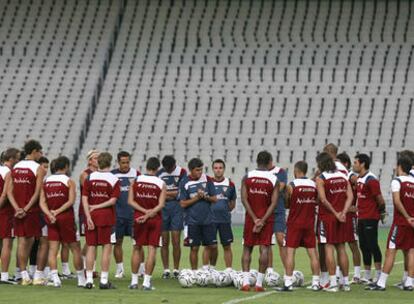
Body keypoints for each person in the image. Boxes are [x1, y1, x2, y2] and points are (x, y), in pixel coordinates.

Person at [368, 157, 414, 291]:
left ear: (400, 166)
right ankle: (409, 283)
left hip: (401, 222)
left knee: (390, 251)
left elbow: (397, 200)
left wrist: (407, 216)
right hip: (412, 223)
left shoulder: (397, 181)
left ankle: (381, 283)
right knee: (411, 251)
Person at [39, 156, 85, 287]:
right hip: (66, 218)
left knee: (53, 248)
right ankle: (81, 279)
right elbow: (71, 201)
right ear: (65, 166)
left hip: (50, 218)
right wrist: (58, 212)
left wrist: (50, 214)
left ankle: (55, 279)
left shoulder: (46, 181)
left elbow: (42, 202)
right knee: (75, 248)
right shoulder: (69, 181)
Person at [7, 140, 46, 286]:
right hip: (31, 211)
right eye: (40, 152)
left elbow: (9, 191)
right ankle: (26, 276)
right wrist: (26, 208)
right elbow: (37, 192)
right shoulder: (39, 168)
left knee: (22, 241)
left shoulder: (16, 167)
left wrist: (17, 208)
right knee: (28, 241)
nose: (41, 155)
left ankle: (23, 275)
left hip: (17, 211)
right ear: (35, 151)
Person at [240, 151, 279, 292]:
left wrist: (255, 218)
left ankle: (245, 283)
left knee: (247, 249)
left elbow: (244, 199)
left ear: (257, 161)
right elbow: (274, 203)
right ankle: (259, 284)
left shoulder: (247, 177)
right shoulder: (273, 179)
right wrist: (262, 220)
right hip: (266, 220)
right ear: (269, 162)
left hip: (251, 219)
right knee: (264, 249)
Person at [315, 152, 353, 292]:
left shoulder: (321, 178)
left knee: (328, 248)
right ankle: (346, 283)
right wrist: (343, 212)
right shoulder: (343, 176)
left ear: (321, 164)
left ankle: (332, 283)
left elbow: (323, 200)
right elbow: (350, 196)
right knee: (342, 249)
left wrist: (336, 213)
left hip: (327, 218)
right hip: (342, 218)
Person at [81, 152, 120, 289]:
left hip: (91, 216)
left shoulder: (90, 177)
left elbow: (84, 198)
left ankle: (89, 280)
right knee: (106, 247)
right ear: (110, 163)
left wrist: (88, 216)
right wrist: (98, 206)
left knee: (91, 247)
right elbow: (113, 200)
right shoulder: (114, 179)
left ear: (98, 163)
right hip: (106, 216)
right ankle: (103, 280)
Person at [281, 161, 321, 291]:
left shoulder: (291, 185)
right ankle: (316, 282)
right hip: (309, 223)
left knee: (290, 253)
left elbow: (286, 204)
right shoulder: (314, 185)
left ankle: (288, 283)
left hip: (294, 224)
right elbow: (317, 201)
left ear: (296, 170)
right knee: (313, 254)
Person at [128, 157, 166, 290]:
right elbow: (161, 204)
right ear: (157, 168)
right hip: (155, 220)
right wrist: (149, 214)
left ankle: (133, 282)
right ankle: (146, 283)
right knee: (151, 250)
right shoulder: (161, 183)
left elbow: (130, 202)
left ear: (147, 166)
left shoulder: (136, 181)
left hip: (138, 218)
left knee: (137, 248)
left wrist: (144, 213)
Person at [179, 158, 217, 270]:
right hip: (192, 221)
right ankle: (195, 273)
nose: (200, 172)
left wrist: (205, 197)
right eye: (197, 170)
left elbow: (214, 199)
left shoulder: (208, 179)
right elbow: (182, 204)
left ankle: (209, 269)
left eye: (201, 170)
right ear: (191, 170)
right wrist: (197, 197)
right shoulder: (184, 182)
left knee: (212, 246)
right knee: (194, 248)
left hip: (208, 220)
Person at [353, 154, 385, 284]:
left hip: (371, 217)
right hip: (361, 217)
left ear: (362, 164)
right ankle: (367, 275)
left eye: (355, 162)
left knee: (373, 245)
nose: (354, 165)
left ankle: (378, 274)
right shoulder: (360, 179)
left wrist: (381, 212)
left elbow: (380, 199)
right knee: (363, 246)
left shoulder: (371, 180)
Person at [202, 159, 236, 271]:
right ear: (213, 169)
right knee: (209, 246)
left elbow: (232, 203)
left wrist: (223, 209)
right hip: (209, 220)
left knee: (227, 246)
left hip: (224, 220)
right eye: (216, 168)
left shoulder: (230, 184)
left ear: (224, 169)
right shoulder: (207, 183)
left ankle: (229, 270)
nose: (218, 170)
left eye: (220, 168)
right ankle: (207, 269)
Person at [111, 151, 140, 279]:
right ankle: (120, 269)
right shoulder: (112, 175)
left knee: (137, 243)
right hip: (117, 215)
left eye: (127, 162)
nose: (125, 165)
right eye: (123, 162)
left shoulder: (136, 174)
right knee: (118, 242)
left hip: (133, 214)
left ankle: (141, 270)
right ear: (118, 162)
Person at [157, 155, 187, 279]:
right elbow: (157, 191)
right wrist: (169, 194)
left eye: (171, 168)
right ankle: (166, 270)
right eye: (167, 168)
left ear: (175, 164)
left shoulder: (182, 172)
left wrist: (165, 194)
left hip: (176, 208)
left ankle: (176, 269)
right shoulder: (159, 173)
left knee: (176, 240)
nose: (169, 170)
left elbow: (180, 192)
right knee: (164, 241)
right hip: (163, 208)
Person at [337, 152, 362, 284]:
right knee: (338, 244)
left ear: (344, 164)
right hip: (340, 214)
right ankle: (338, 274)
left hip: (350, 215)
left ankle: (357, 274)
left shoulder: (350, 176)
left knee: (353, 244)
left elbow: (362, 187)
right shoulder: (338, 177)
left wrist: (357, 206)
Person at [0, 148, 20, 284]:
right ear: (11, 158)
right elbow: (6, 193)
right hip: (5, 212)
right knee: (7, 244)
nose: (18, 160)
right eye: (17, 158)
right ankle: (5, 276)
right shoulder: (9, 173)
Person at [79, 150, 99, 275]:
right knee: (90, 240)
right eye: (96, 158)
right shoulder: (85, 174)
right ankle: (84, 267)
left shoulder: (101, 173)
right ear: (90, 160)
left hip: (97, 209)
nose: (98, 160)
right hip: (87, 209)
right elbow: (89, 192)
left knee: (94, 240)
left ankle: (91, 268)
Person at [267, 161, 288, 275]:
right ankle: (269, 271)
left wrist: (265, 189)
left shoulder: (280, 172)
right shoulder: (261, 173)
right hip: (265, 212)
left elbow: (280, 187)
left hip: (278, 210)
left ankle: (287, 271)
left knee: (281, 240)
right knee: (267, 242)